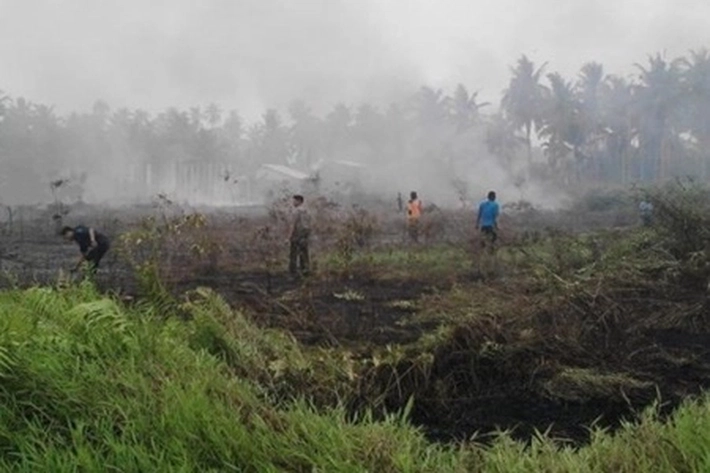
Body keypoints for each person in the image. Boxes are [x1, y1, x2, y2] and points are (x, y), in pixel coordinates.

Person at [289, 194, 311, 277]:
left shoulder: (296, 211)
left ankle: (293, 273)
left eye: (294, 200)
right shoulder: (307, 211)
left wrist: (289, 236)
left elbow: (293, 224)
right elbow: (309, 223)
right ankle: (305, 270)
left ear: (299, 201)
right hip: (305, 234)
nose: (293, 202)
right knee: (304, 253)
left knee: (293, 254)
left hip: (297, 234)